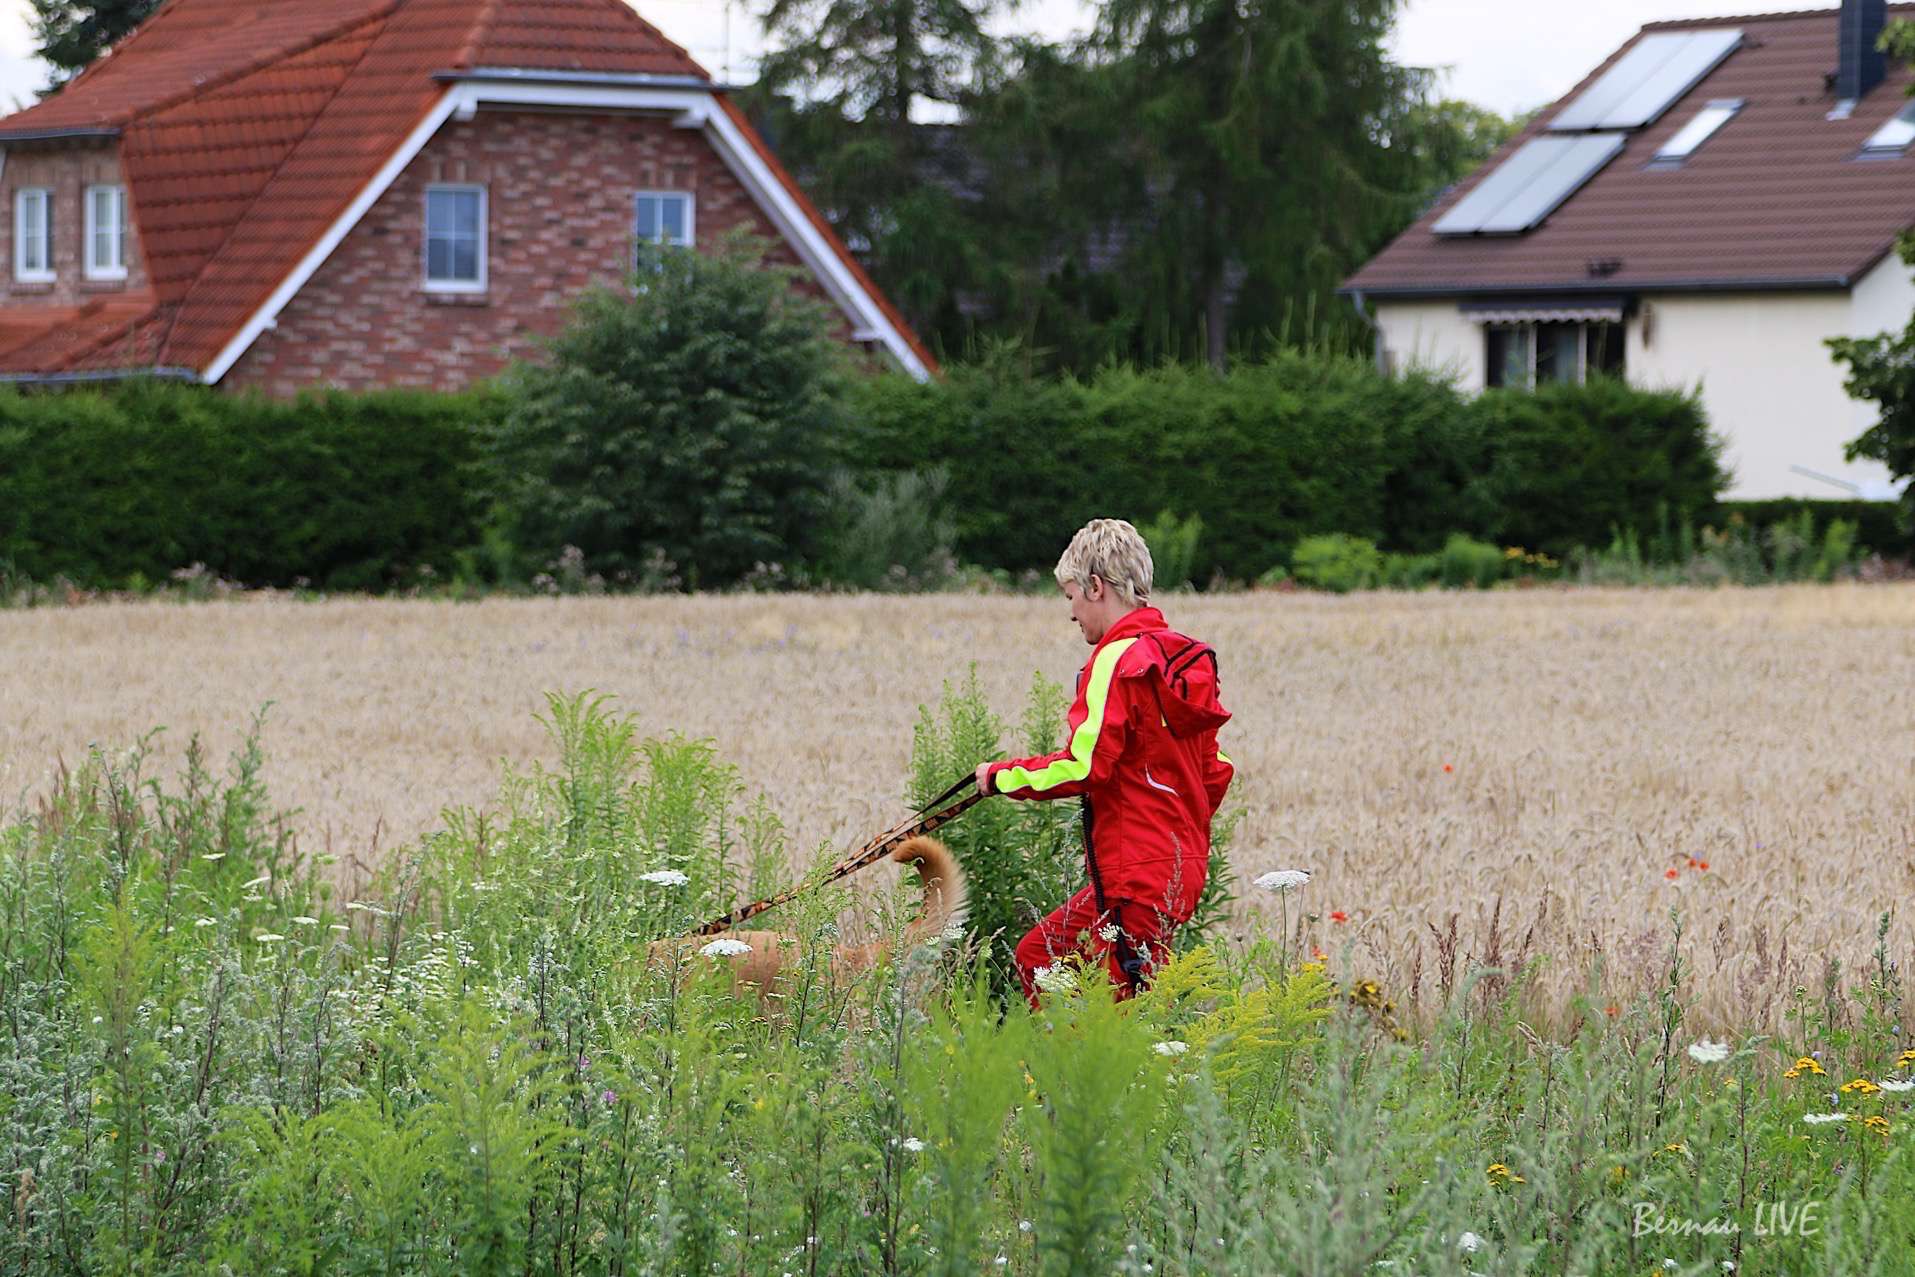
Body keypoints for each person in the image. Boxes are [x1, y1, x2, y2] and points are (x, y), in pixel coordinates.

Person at [974, 518, 1233, 1007]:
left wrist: (1001, 777)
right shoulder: (1182, 660)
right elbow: (1215, 769)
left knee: (1114, 1012)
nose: (1071, 613)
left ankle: (1078, 1057)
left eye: (1071, 595)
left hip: (1134, 873)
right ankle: (1067, 1054)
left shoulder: (1116, 659)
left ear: (1096, 587)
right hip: (1173, 869)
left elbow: (1085, 765)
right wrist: (1175, 831)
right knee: (1040, 956)